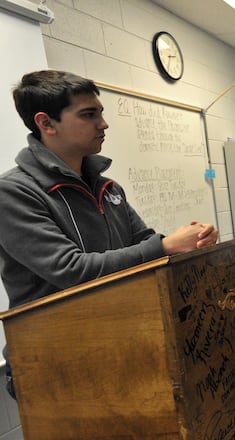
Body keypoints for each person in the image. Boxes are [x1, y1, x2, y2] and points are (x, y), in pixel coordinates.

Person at [0, 70, 219, 398]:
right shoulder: (13, 193)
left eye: (100, 113)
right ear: (46, 123)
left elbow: (143, 240)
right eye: (89, 115)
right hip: (53, 363)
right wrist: (166, 246)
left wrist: (188, 241)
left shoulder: (107, 186)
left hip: (116, 345)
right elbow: (71, 270)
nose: (103, 124)